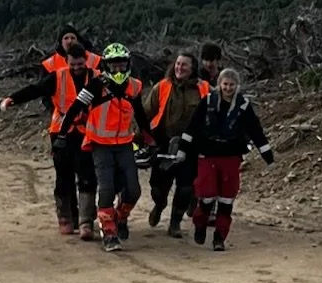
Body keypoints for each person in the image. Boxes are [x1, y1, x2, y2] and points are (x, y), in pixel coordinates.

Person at [57, 43, 157, 252]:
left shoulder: (135, 86)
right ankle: (109, 231)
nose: (118, 70)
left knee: (133, 189)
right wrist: (62, 134)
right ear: (106, 66)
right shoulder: (95, 85)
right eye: (114, 66)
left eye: (122, 65)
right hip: (100, 145)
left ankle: (120, 216)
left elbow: (140, 114)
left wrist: (150, 139)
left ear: (128, 65)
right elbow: (75, 108)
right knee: (106, 188)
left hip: (125, 144)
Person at [0, 41, 98, 236]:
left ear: (86, 62)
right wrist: (12, 99)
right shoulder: (58, 77)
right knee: (64, 175)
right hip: (60, 131)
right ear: (67, 62)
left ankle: (86, 221)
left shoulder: (96, 78)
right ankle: (65, 217)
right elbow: (35, 89)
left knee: (87, 175)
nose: (77, 68)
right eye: (73, 64)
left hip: (86, 131)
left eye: (80, 64)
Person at [174, 67, 274, 251]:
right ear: (219, 84)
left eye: (231, 85)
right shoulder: (208, 101)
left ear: (237, 86)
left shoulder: (244, 106)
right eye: (225, 84)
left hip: (231, 156)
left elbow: (256, 131)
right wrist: (183, 149)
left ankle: (219, 238)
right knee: (206, 194)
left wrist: (268, 155)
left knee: (227, 199)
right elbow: (193, 127)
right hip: (207, 154)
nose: (228, 88)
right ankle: (200, 224)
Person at [142, 51, 210, 237]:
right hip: (163, 143)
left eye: (184, 65)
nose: (179, 68)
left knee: (186, 186)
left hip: (191, 146)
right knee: (158, 185)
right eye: (178, 64)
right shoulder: (162, 87)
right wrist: (140, 138)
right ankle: (159, 204)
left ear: (193, 68)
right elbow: (145, 114)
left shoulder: (204, 89)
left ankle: (175, 223)